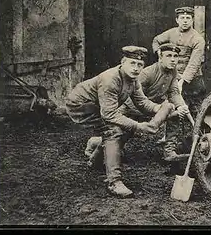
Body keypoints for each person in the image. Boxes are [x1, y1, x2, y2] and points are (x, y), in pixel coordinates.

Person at [66, 46, 175, 198]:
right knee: (113, 131)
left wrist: (159, 108)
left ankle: (95, 161)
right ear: (123, 62)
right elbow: (109, 114)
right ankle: (114, 182)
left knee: (123, 128)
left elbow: (141, 102)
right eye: (132, 63)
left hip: (99, 106)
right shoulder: (110, 79)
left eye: (139, 65)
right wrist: (138, 126)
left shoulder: (133, 79)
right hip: (80, 105)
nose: (136, 68)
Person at [90, 43, 192, 163]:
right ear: (160, 57)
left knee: (175, 115)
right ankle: (94, 145)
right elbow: (133, 97)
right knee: (118, 137)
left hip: (153, 108)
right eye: (169, 56)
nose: (173, 59)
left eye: (176, 56)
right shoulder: (147, 73)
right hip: (132, 109)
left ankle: (169, 152)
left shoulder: (173, 72)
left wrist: (180, 106)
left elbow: (174, 91)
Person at [152, 6, 206, 118]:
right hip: (174, 75)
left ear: (192, 20)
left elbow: (194, 64)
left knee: (196, 109)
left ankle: (198, 133)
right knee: (175, 106)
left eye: (188, 18)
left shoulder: (198, 39)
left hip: (193, 80)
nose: (185, 21)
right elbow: (156, 40)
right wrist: (159, 53)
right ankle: (173, 134)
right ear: (177, 20)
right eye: (182, 18)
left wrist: (182, 81)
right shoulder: (171, 33)